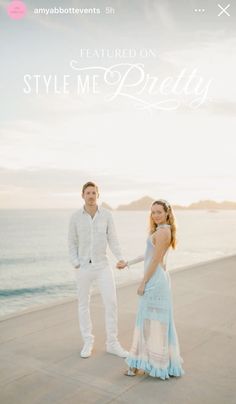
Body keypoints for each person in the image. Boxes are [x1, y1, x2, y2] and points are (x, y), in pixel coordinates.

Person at [117, 199, 185, 379]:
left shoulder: (163, 232)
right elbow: (150, 255)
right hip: (157, 278)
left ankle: (139, 365)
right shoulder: (160, 230)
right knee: (151, 323)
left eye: (159, 212)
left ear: (167, 213)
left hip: (154, 282)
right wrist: (128, 263)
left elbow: (155, 260)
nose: (155, 215)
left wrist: (143, 282)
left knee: (147, 323)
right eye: (153, 212)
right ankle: (148, 363)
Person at [68, 181, 128, 359]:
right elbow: (71, 242)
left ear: (98, 195)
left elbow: (113, 240)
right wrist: (76, 262)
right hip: (84, 267)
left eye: (94, 193)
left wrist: (121, 258)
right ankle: (88, 341)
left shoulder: (107, 215)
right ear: (83, 195)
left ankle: (112, 343)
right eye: (88, 193)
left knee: (111, 303)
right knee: (83, 305)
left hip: (103, 266)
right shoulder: (75, 217)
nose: (91, 195)